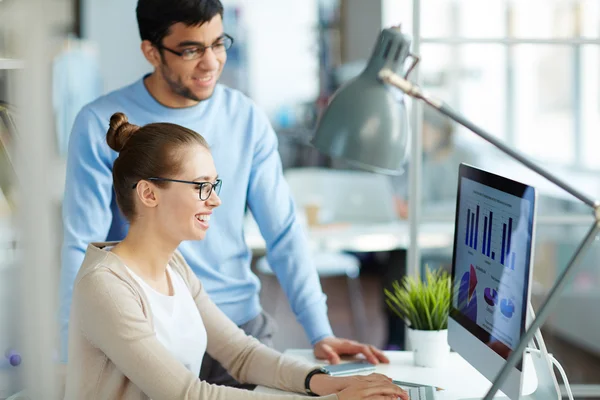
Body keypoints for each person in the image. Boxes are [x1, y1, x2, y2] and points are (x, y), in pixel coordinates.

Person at [59, 0, 388, 387]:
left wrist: (321, 335)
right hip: (145, 325)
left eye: (218, 43)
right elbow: (83, 245)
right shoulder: (99, 122)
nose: (212, 62)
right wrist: (72, 347)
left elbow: (282, 230)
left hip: (235, 325)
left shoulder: (245, 117)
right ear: (151, 51)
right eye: (191, 49)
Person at [63, 112, 407, 400]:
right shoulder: (106, 286)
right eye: (201, 186)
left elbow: (241, 353)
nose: (215, 200)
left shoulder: (174, 266)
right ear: (149, 193)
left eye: (215, 185)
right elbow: (188, 394)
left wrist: (326, 381)